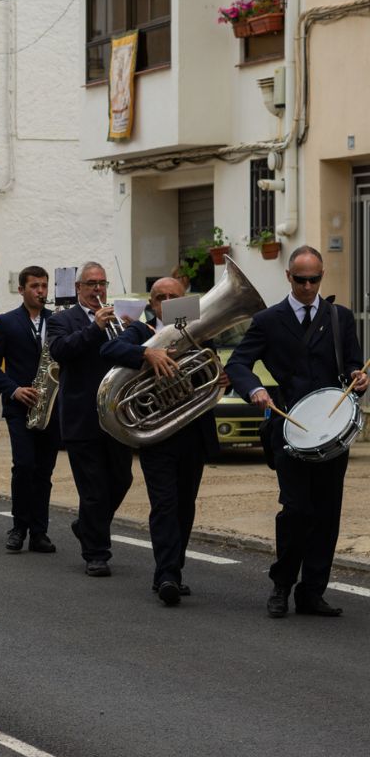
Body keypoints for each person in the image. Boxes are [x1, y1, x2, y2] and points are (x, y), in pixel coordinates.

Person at [226, 246, 368, 618]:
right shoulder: (268, 320)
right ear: (289, 276)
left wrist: (360, 378)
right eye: (301, 279)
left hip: (332, 432)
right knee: (296, 511)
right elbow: (239, 362)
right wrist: (254, 388)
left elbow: (353, 365)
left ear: (321, 277)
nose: (308, 287)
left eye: (315, 279)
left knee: (326, 513)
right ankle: (282, 584)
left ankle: (312, 592)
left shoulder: (339, 317)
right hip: (288, 427)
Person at [101, 277, 219, 605]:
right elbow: (108, 348)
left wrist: (221, 376)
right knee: (165, 504)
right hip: (157, 435)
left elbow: (211, 369)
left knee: (185, 505)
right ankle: (167, 574)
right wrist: (146, 354)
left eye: (174, 297)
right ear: (153, 305)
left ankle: (172, 569)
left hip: (191, 431)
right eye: (161, 297)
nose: (167, 302)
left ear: (185, 300)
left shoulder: (198, 332)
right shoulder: (141, 332)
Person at [47, 261, 132, 577]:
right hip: (82, 418)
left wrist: (130, 331)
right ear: (78, 288)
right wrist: (93, 328)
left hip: (116, 416)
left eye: (102, 283)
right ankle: (97, 553)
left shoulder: (117, 319)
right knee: (94, 488)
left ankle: (87, 526)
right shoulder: (63, 320)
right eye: (91, 283)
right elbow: (60, 351)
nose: (98, 289)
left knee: (122, 480)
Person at [0, 266, 60, 554]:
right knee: (24, 466)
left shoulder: (57, 322)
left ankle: (39, 532)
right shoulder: (6, 322)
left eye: (44, 286)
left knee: (44, 471)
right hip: (19, 406)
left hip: (51, 407)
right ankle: (19, 527)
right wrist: (13, 389)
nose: (41, 291)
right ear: (22, 290)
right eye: (35, 286)